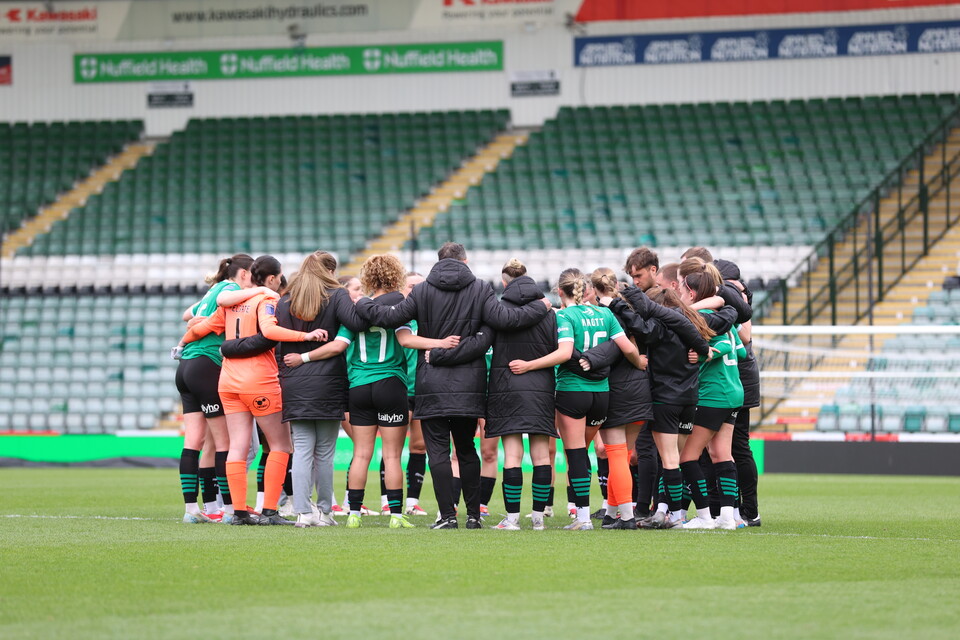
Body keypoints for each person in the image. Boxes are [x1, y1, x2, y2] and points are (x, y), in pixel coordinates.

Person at [354, 242, 552, 530]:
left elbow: (387, 317)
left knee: (438, 452)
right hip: (469, 383)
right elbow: (505, 320)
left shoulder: (421, 291)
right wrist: (542, 305)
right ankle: (473, 516)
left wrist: (360, 301)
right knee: (467, 450)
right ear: (465, 260)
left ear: (438, 261)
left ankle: (447, 516)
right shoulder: (482, 289)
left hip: (431, 382)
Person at [175, 255, 326, 525]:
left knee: (237, 446)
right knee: (280, 444)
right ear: (271, 278)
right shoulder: (266, 299)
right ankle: (269, 510)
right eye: (279, 278)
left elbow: (203, 327)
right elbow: (269, 330)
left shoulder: (234, 301)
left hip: (228, 381)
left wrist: (182, 344)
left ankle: (238, 513)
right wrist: (306, 336)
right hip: (258, 379)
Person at [509, 268, 645, 531]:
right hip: (602, 393)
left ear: (560, 291)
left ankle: (582, 519)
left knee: (576, 455)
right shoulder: (605, 313)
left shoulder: (565, 315)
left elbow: (564, 353)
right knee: (598, 453)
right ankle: (611, 513)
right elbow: (627, 347)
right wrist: (639, 362)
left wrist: (529, 366)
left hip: (573, 390)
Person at [337, 255, 453, 530]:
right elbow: (409, 340)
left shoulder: (353, 312)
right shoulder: (399, 309)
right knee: (391, 455)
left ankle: (353, 512)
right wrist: (441, 343)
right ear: (395, 277)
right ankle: (396, 515)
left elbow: (339, 346)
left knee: (361, 453)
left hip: (359, 386)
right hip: (391, 385)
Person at [174, 253, 259, 524]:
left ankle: (198, 509)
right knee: (225, 443)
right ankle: (231, 509)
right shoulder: (232, 290)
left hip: (186, 366)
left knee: (195, 443)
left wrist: (198, 323)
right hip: (207, 366)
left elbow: (188, 315)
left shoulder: (213, 289)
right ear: (244, 273)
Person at [483, 259, 559, 531]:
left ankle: (512, 519)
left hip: (507, 388)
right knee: (541, 457)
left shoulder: (498, 311)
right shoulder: (550, 313)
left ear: (504, 283)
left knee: (512, 457)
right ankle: (538, 519)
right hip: (541, 389)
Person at [677, 258, 748, 530]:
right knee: (721, 454)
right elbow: (741, 350)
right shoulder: (724, 318)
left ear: (692, 293)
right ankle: (727, 517)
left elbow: (722, 347)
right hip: (733, 391)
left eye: (683, 291)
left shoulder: (704, 318)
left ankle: (705, 517)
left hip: (714, 394)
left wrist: (706, 354)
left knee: (687, 457)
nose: (681, 295)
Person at [588, 267, 652, 529]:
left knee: (616, 455)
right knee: (623, 456)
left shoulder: (603, 317)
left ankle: (626, 517)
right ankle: (613, 512)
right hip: (640, 389)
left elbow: (609, 352)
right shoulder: (634, 314)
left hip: (616, 390)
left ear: (594, 290)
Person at [399, 272, 429, 517]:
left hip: (423, 390)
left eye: (421, 287)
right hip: (399, 389)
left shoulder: (430, 317)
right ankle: (389, 501)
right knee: (393, 448)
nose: (416, 291)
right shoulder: (397, 315)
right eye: (411, 286)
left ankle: (412, 502)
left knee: (419, 447)